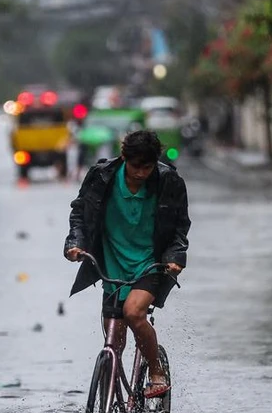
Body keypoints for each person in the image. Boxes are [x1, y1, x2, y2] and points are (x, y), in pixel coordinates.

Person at [64, 130, 191, 398]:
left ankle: (156, 371)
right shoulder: (101, 176)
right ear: (124, 157)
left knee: (134, 313)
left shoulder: (168, 181)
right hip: (111, 264)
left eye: (148, 167)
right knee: (114, 341)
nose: (141, 173)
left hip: (150, 264)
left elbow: (180, 227)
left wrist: (174, 258)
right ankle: (113, 402)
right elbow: (80, 212)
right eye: (136, 166)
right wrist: (75, 243)